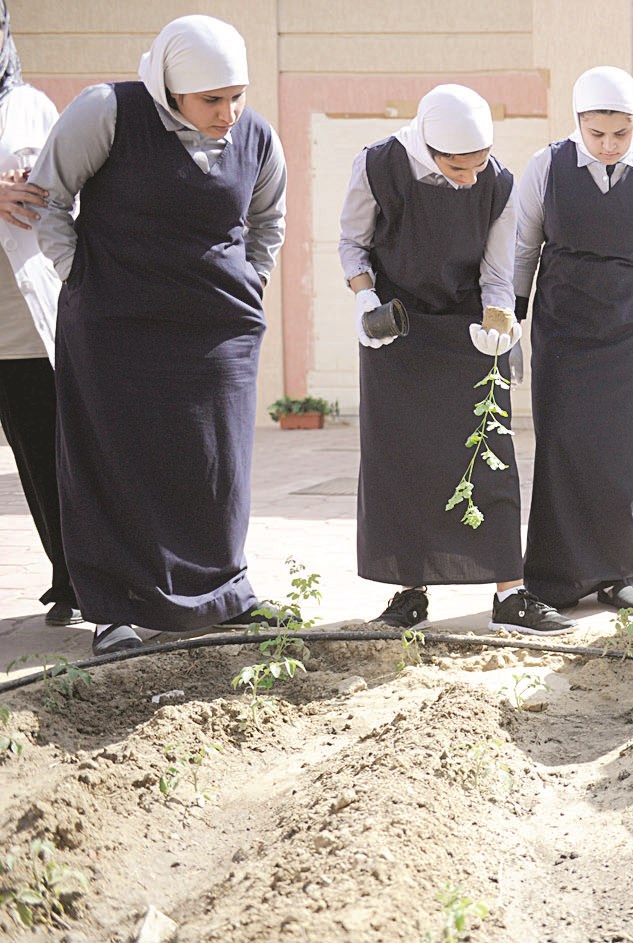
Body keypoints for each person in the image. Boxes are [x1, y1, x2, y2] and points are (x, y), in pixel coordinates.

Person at [31, 15, 287, 654]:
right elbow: (50, 198)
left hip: (219, 326)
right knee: (117, 459)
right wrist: (79, 276)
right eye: (212, 100)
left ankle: (225, 595)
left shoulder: (255, 135)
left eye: (237, 96)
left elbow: (268, 217)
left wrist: (251, 282)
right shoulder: (107, 111)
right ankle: (116, 608)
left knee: (217, 464)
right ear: (172, 88)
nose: (229, 112)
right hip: (115, 324)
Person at [338, 84, 573, 635]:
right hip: (395, 332)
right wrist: (364, 297)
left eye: (478, 163)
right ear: (427, 144)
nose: (469, 178)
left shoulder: (500, 184)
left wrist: (501, 323)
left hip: (467, 334)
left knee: (490, 458)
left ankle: (510, 595)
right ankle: (409, 593)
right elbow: (353, 243)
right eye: (456, 166)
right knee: (402, 463)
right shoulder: (377, 166)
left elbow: (497, 274)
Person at [514, 65, 633, 614]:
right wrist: (513, 331)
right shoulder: (545, 168)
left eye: (621, 133)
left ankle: (617, 575)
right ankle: (554, 580)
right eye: (596, 133)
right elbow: (524, 251)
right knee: (562, 449)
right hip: (565, 328)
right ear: (577, 123)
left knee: (626, 453)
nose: (608, 145)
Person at [0, 1, 81, 628]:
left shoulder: (33, 106)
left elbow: (67, 195)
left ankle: (72, 580)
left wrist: (39, 186)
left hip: (24, 325)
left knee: (48, 457)